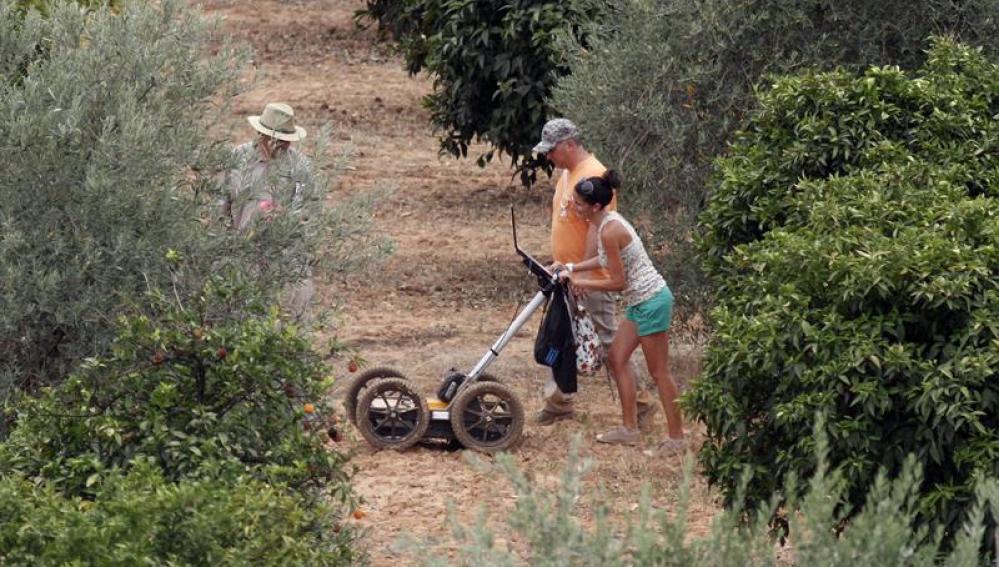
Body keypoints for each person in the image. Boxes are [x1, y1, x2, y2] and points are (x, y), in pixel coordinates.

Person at [531, 118, 658, 426]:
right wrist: (562, 265)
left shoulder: (592, 176)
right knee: (561, 334)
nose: (548, 157)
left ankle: (640, 402)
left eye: (552, 151)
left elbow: (596, 229)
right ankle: (559, 402)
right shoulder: (566, 173)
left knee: (607, 337)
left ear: (570, 145)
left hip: (586, 279)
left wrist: (582, 277)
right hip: (569, 274)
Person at [557, 170, 686, 454]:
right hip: (640, 303)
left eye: (579, 203)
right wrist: (572, 268)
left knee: (659, 372)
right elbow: (603, 260)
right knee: (616, 359)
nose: (574, 207)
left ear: (595, 206)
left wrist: (580, 281)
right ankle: (629, 430)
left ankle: (677, 438)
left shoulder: (611, 229)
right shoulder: (605, 225)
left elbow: (618, 282)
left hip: (651, 301)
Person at [222, 102, 315, 319]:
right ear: (261, 135)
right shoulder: (236, 161)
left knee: (291, 319)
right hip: (243, 255)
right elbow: (220, 210)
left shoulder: (300, 167)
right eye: (278, 140)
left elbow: (310, 213)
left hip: (286, 259)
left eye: (286, 141)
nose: (283, 146)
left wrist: (289, 217)